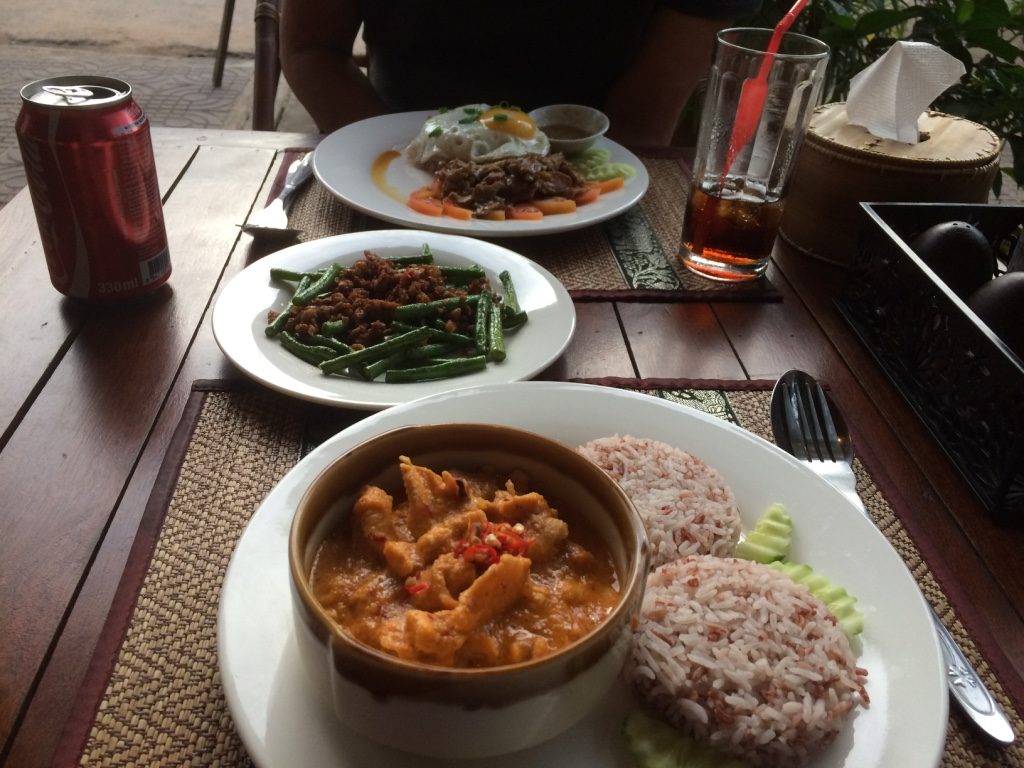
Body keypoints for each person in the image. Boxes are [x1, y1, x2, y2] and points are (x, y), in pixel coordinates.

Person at [280, 1, 762, 146]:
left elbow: (646, 111)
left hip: (592, 162)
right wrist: (399, 163)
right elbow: (313, 48)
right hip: (388, 150)